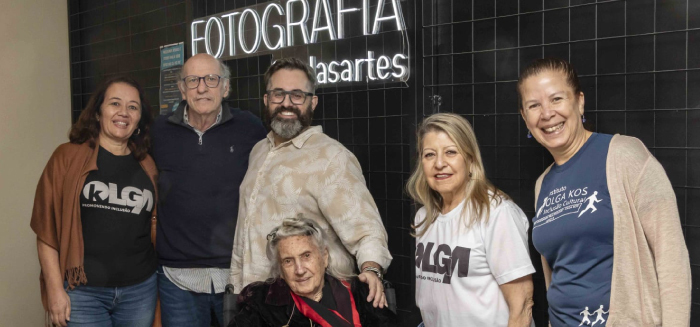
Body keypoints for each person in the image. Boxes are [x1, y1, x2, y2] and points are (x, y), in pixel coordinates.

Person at [517, 57, 691, 326]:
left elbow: (672, 259)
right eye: (534, 105)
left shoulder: (625, 156)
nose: (547, 113)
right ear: (524, 117)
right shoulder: (543, 184)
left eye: (556, 99)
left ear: (580, 101)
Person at [229, 57, 392, 308]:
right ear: (266, 99)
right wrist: (235, 288)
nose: (286, 103)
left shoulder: (332, 157)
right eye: (278, 94)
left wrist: (372, 269)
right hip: (255, 304)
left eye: (297, 95)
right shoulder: (259, 151)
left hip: (307, 309)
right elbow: (245, 230)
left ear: (312, 102)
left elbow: (367, 232)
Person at [151, 53, 267, 327]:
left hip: (237, 273)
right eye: (193, 80)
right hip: (177, 277)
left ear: (225, 87)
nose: (202, 88)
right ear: (182, 89)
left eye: (211, 79)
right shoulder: (158, 131)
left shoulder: (249, 128)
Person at [31, 76, 158, 327]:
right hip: (82, 292)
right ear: (98, 112)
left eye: (133, 107)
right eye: (115, 103)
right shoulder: (66, 158)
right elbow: (46, 230)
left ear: (139, 120)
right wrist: (55, 290)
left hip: (139, 291)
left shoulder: (147, 165)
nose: (124, 112)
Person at [406, 113, 536, 327]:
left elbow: (521, 304)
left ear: (470, 158)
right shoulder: (425, 216)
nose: (439, 163)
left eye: (450, 152)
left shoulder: (496, 213)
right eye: (429, 155)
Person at [229, 217, 398, 327]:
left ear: (324, 257)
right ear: (280, 269)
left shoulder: (358, 292)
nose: (300, 270)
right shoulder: (263, 302)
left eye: (306, 256)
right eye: (288, 261)